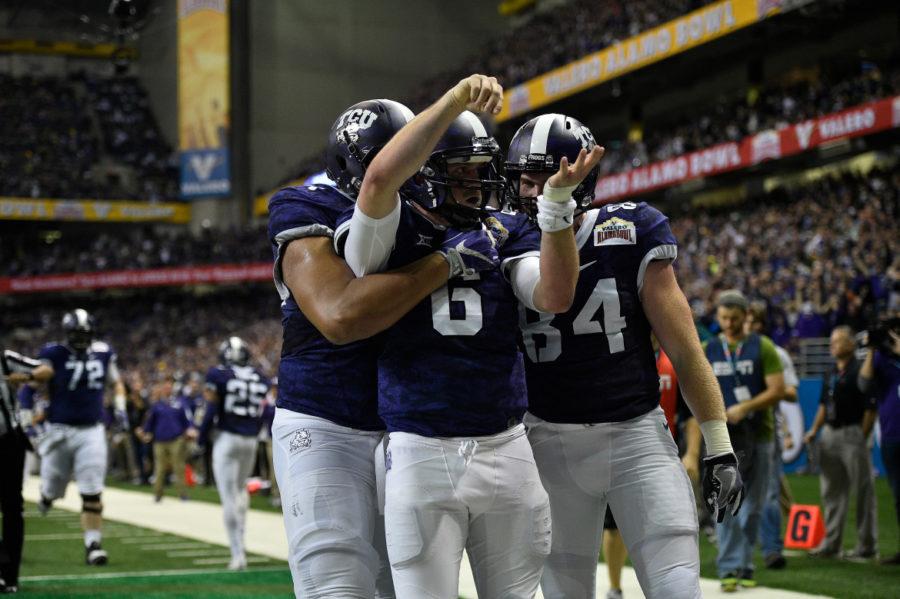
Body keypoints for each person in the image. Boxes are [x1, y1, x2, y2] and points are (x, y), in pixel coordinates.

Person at [338, 77, 598, 598]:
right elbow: (378, 182)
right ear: (425, 172)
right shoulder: (390, 232)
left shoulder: (505, 230)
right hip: (421, 447)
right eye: (461, 173)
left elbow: (553, 294)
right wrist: (454, 101)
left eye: (481, 172)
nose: (477, 185)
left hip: (506, 443)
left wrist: (557, 209)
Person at [504, 113, 740, 599]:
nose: (528, 193)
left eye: (539, 181)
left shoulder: (632, 230)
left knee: (678, 589)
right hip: (547, 441)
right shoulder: (508, 239)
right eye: (522, 181)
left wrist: (718, 442)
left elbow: (684, 346)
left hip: (636, 436)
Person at [268, 97, 464, 598]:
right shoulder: (307, 206)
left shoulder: (437, 212)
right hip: (325, 420)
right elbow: (340, 316)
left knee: (405, 585)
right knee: (336, 584)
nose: (413, 175)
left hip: (407, 428)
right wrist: (444, 263)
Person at [704, 290, 784, 591]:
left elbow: (778, 389)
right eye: (723, 318)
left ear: (745, 316)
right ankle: (728, 569)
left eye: (734, 319)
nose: (728, 324)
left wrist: (745, 407)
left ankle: (746, 563)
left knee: (752, 507)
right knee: (724, 503)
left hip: (759, 436)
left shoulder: (762, 347)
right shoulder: (709, 349)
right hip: (722, 439)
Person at [35, 309, 128, 566]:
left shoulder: (103, 352)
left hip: (91, 430)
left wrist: (120, 406)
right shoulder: (54, 353)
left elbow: (116, 382)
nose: (81, 338)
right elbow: (35, 381)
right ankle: (47, 495)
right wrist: (25, 408)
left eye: (84, 333)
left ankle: (93, 545)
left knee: (92, 491)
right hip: (59, 430)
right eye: (77, 334)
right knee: (53, 486)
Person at [803, 326, 878, 559]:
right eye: (832, 341)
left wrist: (861, 436)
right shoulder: (830, 371)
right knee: (831, 492)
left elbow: (870, 407)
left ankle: (866, 546)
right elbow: (824, 405)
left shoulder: (861, 370)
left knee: (863, 491)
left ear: (852, 344)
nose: (833, 345)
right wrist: (815, 429)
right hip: (830, 433)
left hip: (852, 432)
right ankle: (831, 544)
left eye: (838, 341)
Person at [200, 337, 271, 571]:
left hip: (227, 438)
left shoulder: (218, 375)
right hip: (250, 439)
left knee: (229, 496)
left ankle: (237, 552)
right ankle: (241, 545)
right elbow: (263, 409)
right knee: (241, 492)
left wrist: (201, 439)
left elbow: (211, 409)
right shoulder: (259, 376)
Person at [746, 304, 798, 569]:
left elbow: (791, 393)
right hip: (737, 431)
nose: (747, 326)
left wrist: (767, 390)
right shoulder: (729, 352)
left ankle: (771, 549)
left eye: (752, 321)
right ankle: (741, 549)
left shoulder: (774, 352)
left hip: (767, 430)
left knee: (768, 493)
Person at [1, 349, 48, 594]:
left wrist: (26, 377)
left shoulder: (6, 358)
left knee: (12, 508)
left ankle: (10, 576)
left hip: (8, 440)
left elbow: (45, 370)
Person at [859, 316, 900, 565]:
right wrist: (872, 350)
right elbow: (863, 384)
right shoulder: (882, 360)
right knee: (899, 496)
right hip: (892, 436)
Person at [139, 377, 197, 502]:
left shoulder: (180, 403)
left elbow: (188, 419)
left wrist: (191, 428)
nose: (167, 388)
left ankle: (182, 493)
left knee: (178, 467)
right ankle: (158, 494)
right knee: (160, 468)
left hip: (176, 440)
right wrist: (145, 432)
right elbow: (150, 422)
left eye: (170, 386)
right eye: (165, 386)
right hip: (159, 441)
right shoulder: (157, 405)